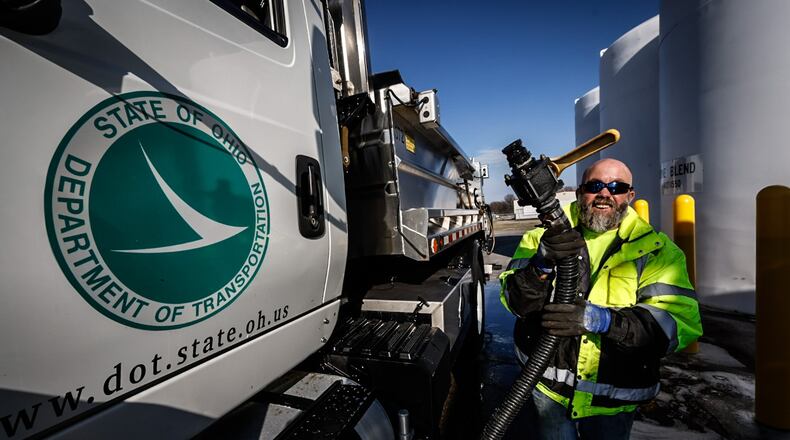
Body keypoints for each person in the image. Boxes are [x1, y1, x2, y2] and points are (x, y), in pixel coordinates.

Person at [499, 158, 702, 439]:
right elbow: (515, 302)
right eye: (595, 185)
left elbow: (677, 325)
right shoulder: (541, 239)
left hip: (613, 401)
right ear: (581, 192)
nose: (605, 194)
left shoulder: (658, 252)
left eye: (616, 187)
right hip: (548, 390)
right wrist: (540, 265)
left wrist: (603, 320)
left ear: (630, 196)